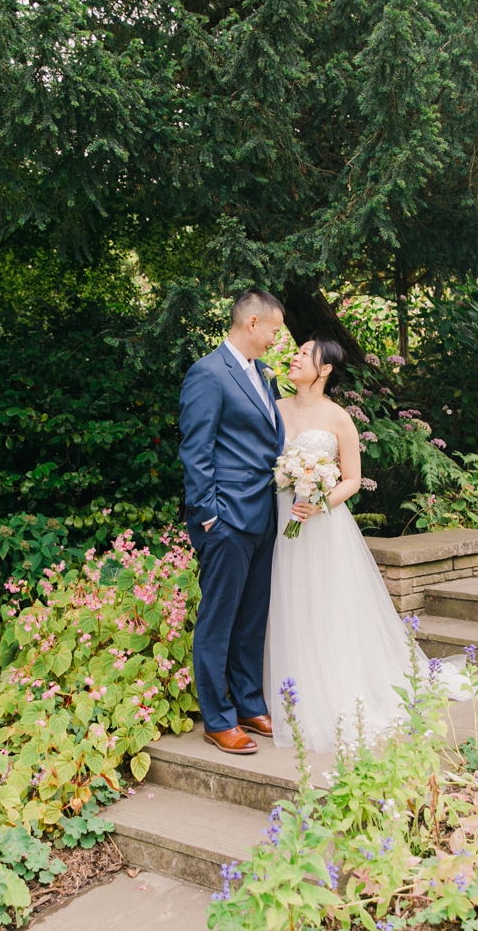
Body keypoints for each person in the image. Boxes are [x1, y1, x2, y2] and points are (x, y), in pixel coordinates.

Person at [263, 338, 469, 753]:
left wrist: (320, 502)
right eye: (296, 352)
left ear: (324, 370)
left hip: (321, 524)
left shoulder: (339, 419)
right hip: (280, 516)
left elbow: (352, 479)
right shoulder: (274, 409)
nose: (295, 356)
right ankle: (285, 692)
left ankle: (334, 690)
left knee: (326, 605)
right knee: (287, 601)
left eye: (305, 353)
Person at [178, 291, 286, 755]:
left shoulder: (264, 375)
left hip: (264, 516)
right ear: (253, 322)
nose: (276, 341)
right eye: (274, 332)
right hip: (224, 520)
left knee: (251, 618)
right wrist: (207, 517)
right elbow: (195, 450)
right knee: (218, 620)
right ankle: (217, 719)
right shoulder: (207, 373)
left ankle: (247, 703)